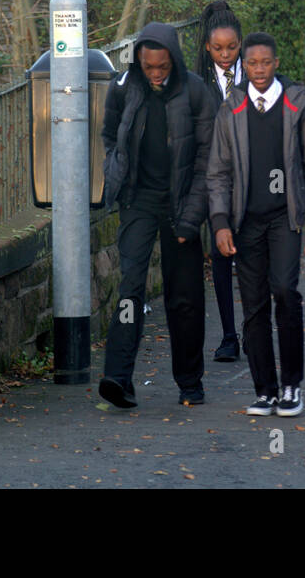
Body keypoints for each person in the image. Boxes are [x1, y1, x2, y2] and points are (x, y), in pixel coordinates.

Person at [207, 31, 305, 418]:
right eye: (252, 63)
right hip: (246, 223)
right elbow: (217, 173)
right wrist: (221, 223)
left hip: (284, 219)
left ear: (276, 64)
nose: (259, 70)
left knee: (284, 292)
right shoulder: (232, 108)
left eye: (266, 62)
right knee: (254, 306)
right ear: (244, 66)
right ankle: (265, 390)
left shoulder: (298, 106)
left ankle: (292, 386)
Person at [99, 22, 214, 409]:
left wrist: (191, 216)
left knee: (183, 296)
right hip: (138, 200)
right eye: (149, 67)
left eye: (162, 66)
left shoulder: (196, 92)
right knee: (130, 287)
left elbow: (207, 160)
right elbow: (110, 134)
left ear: (174, 60)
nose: (156, 74)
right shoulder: (124, 87)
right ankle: (117, 379)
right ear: (139, 63)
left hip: (182, 203)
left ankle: (189, 381)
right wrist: (115, 170)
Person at [196, 0, 245, 362]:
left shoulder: (259, 74)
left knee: (254, 262)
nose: (225, 55)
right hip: (218, 187)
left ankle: (254, 329)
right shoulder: (199, 86)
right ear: (206, 47)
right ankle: (229, 335)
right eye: (217, 49)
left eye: (231, 48)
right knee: (221, 256)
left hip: (257, 183)